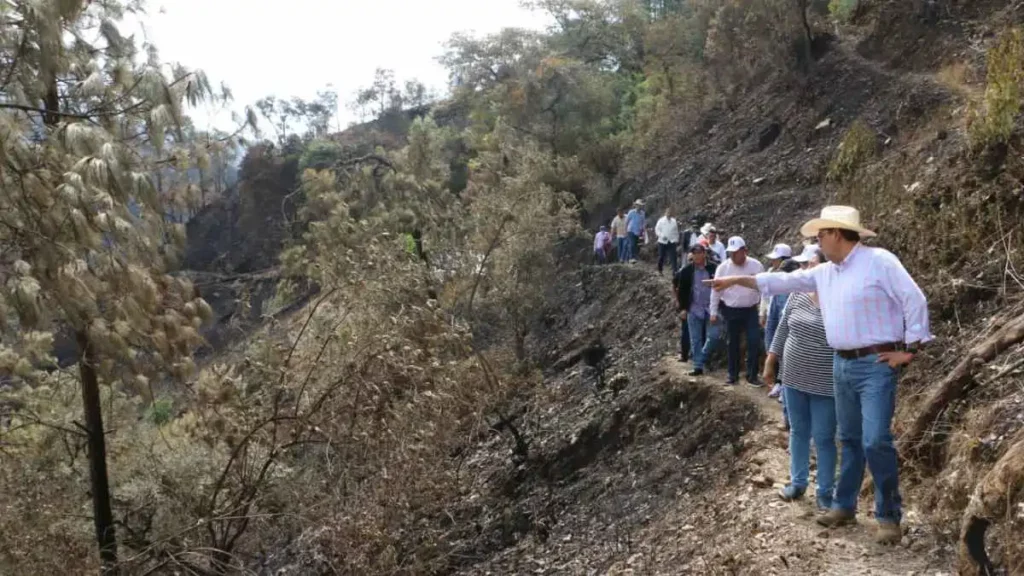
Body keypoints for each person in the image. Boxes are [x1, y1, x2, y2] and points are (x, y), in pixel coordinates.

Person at [706, 206, 931, 545]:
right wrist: (736, 279)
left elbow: (914, 299)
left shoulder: (880, 261)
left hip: (876, 365)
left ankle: (888, 516)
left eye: (820, 235)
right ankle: (844, 505)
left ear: (836, 234)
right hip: (840, 365)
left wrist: (911, 348)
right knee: (850, 440)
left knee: (875, 441)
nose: (817, 241)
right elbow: (782, 281)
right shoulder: (826, 272)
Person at [762, 245, 836, 511]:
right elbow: (782, 329)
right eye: (804, 265)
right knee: (798, 431)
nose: (806, 269)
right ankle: (798, 482)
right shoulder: (796, 294)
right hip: (793, 376)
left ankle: (826, 491)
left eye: (811, 264)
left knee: (825, 437)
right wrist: (771, 360)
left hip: (826, 381)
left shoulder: (838, 296)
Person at [709, 236, 765, 386]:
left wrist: (762, 313)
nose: (733, 256)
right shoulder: (723, 268)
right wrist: (713, 311)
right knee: (732, 343)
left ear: (744, 251)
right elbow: (716, 291)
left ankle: (752, 375)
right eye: (731, 253)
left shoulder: (756, 266)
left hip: (750, 310)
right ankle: (732, 375)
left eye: (736, 252)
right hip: (731, 310)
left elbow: (764, 289)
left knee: (754, 341)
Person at [675, 243, 718, 375]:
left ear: (704, 254)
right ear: (691, 255)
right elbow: (681, 290)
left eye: (700, 253)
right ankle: (698, 366)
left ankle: (703, 358)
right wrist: (682, 308)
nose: (697, 255)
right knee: (696, 339)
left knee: (713, 335)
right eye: (695, 253)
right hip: (693, 308)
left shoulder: (713, 268)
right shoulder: (687, 271)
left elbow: (719, 286)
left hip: (711, 307)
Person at [655, 207, 680, 275]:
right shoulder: (661, 221)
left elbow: (676, 231)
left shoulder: (674, 221)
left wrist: (677, 239)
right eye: (667, 212)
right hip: (662, 241)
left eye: (670, 213)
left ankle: (675, 271)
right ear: (665, 213)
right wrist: (662, 236)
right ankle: (660, 270)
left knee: (673, 256)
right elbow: (657, 230)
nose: (669, 214)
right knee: (661, 256)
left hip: (671, 241)